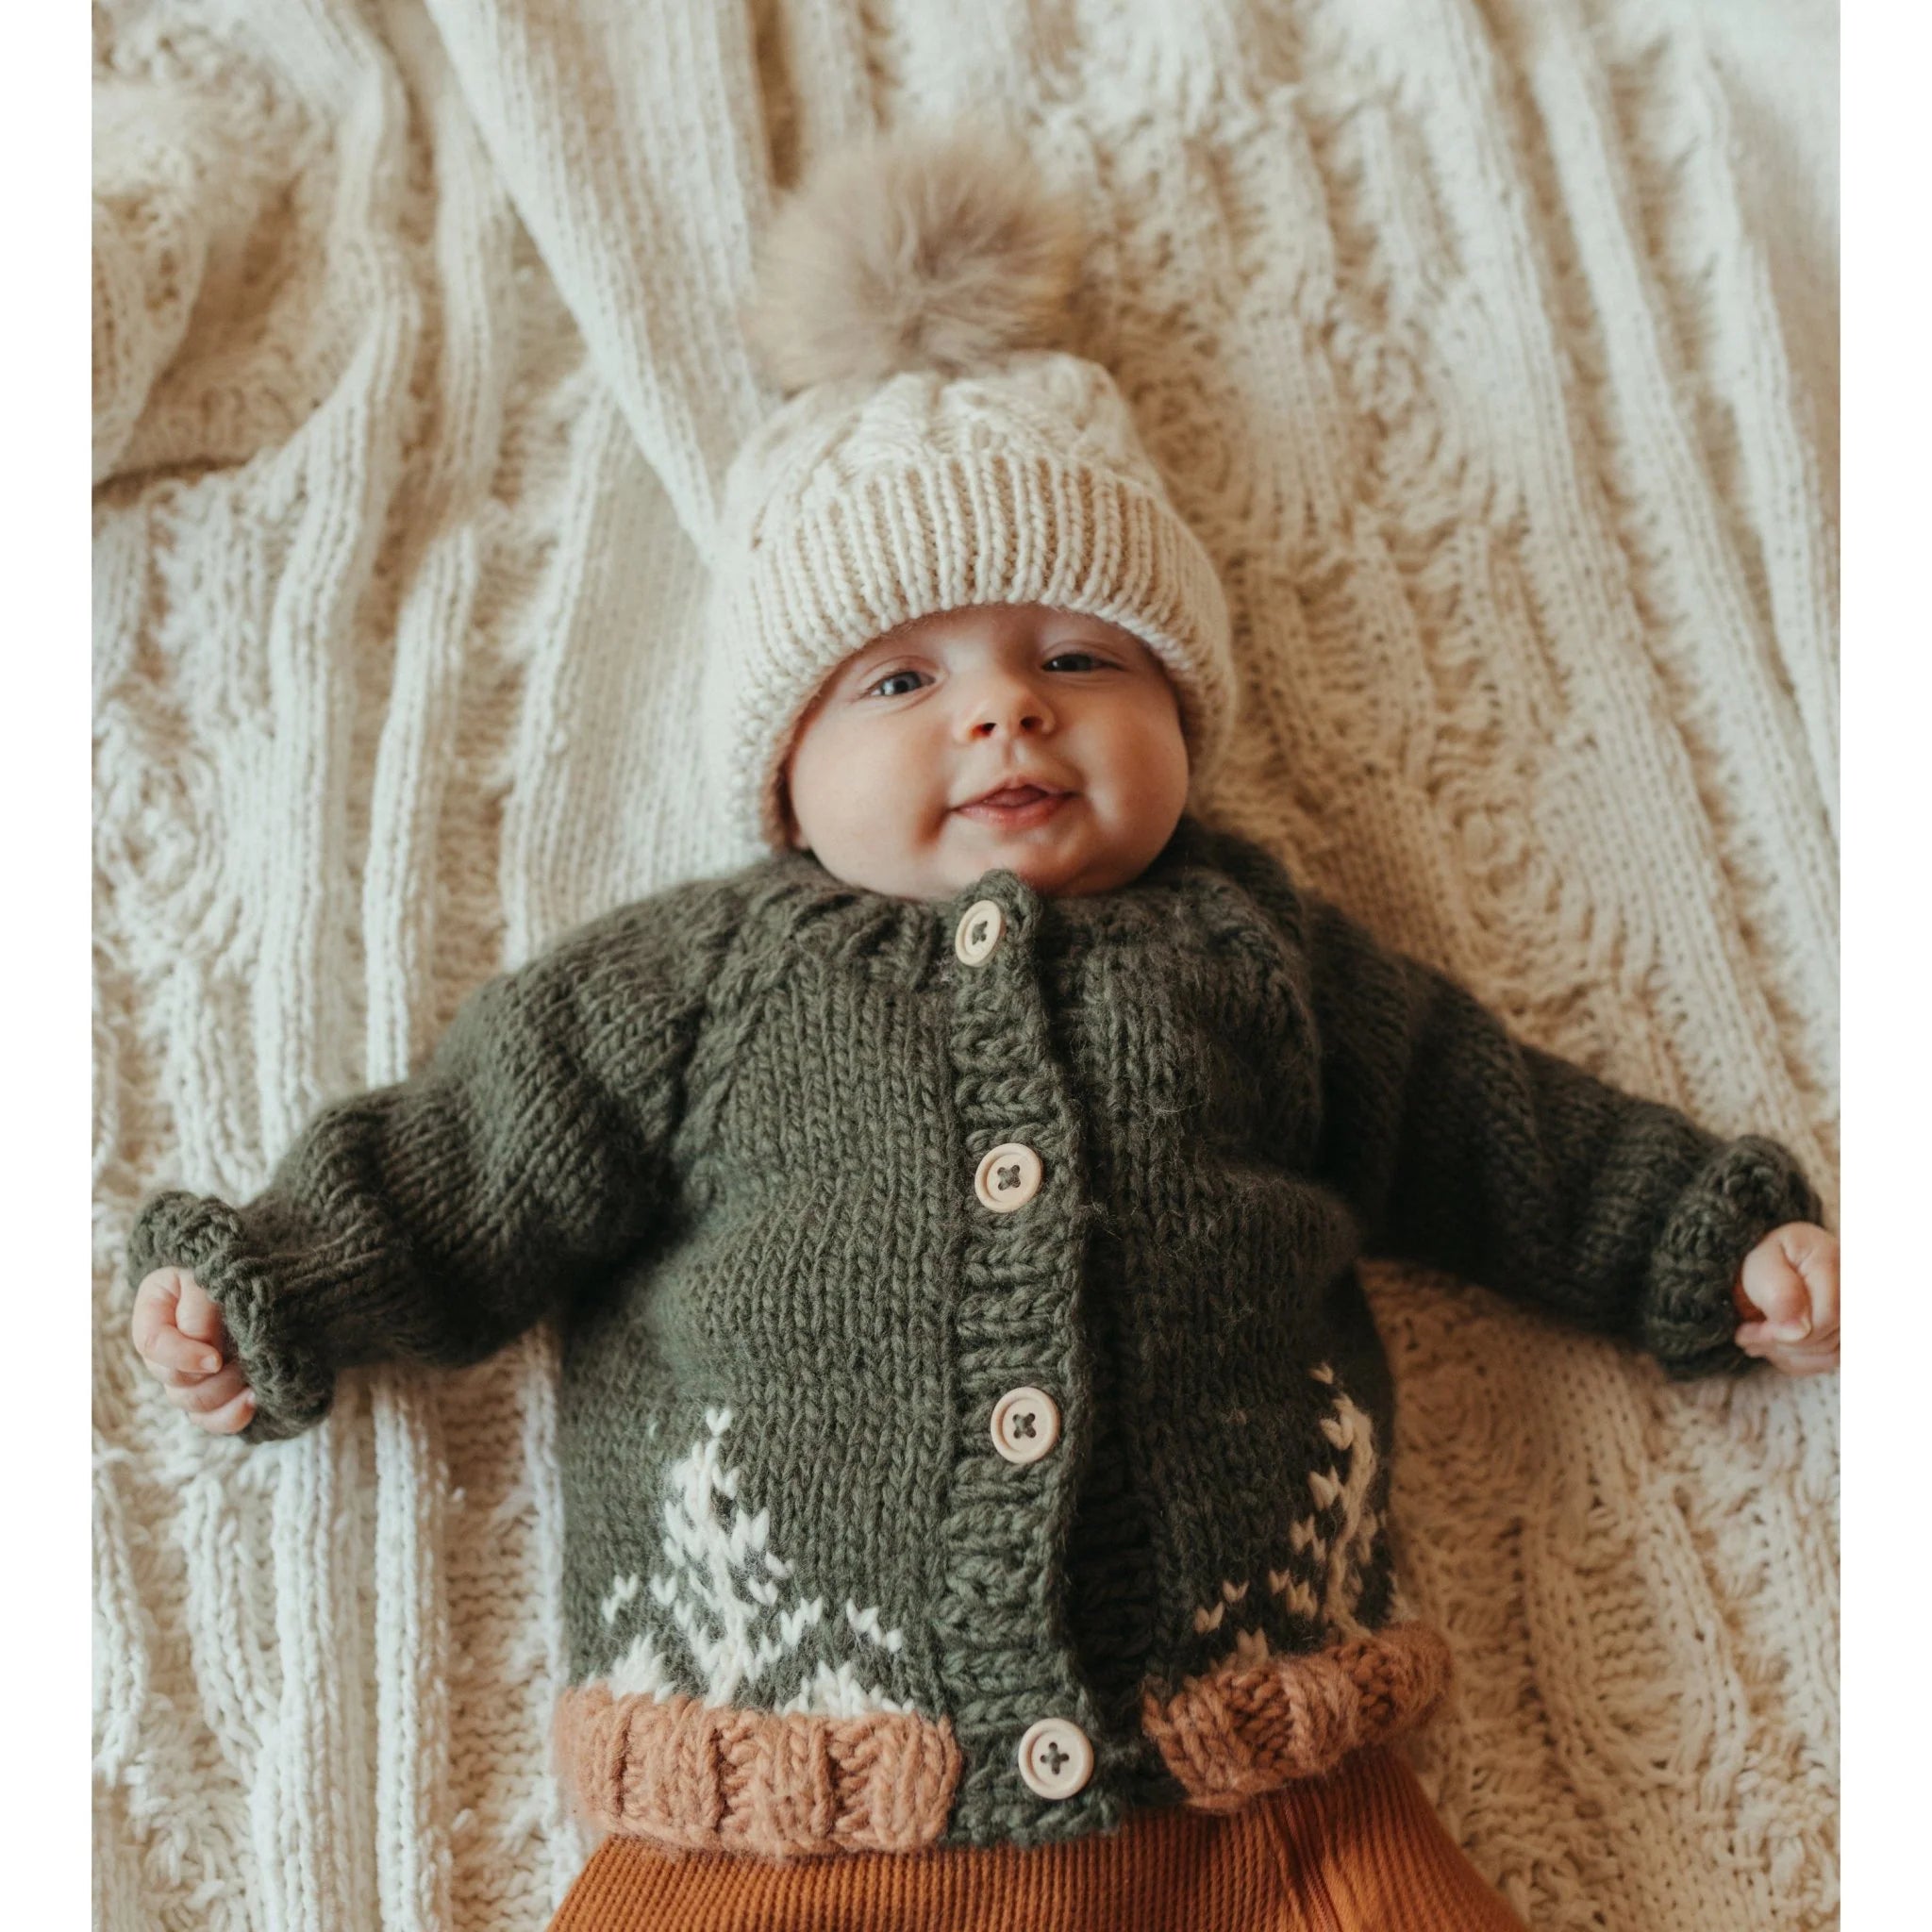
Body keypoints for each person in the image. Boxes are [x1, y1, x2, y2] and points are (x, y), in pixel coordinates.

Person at [126, 123, 1839, 1931]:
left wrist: (1697, 1237)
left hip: (1267, 1803)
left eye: (1079, 658)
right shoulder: (692, 985)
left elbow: (1486, 1126)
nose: (1007, 713)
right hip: (775, 1825)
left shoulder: (1258, 955)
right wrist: (284, 1283)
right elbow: (470, 1159)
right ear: (786, 768)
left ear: (1180, 712)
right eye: (901, 679)